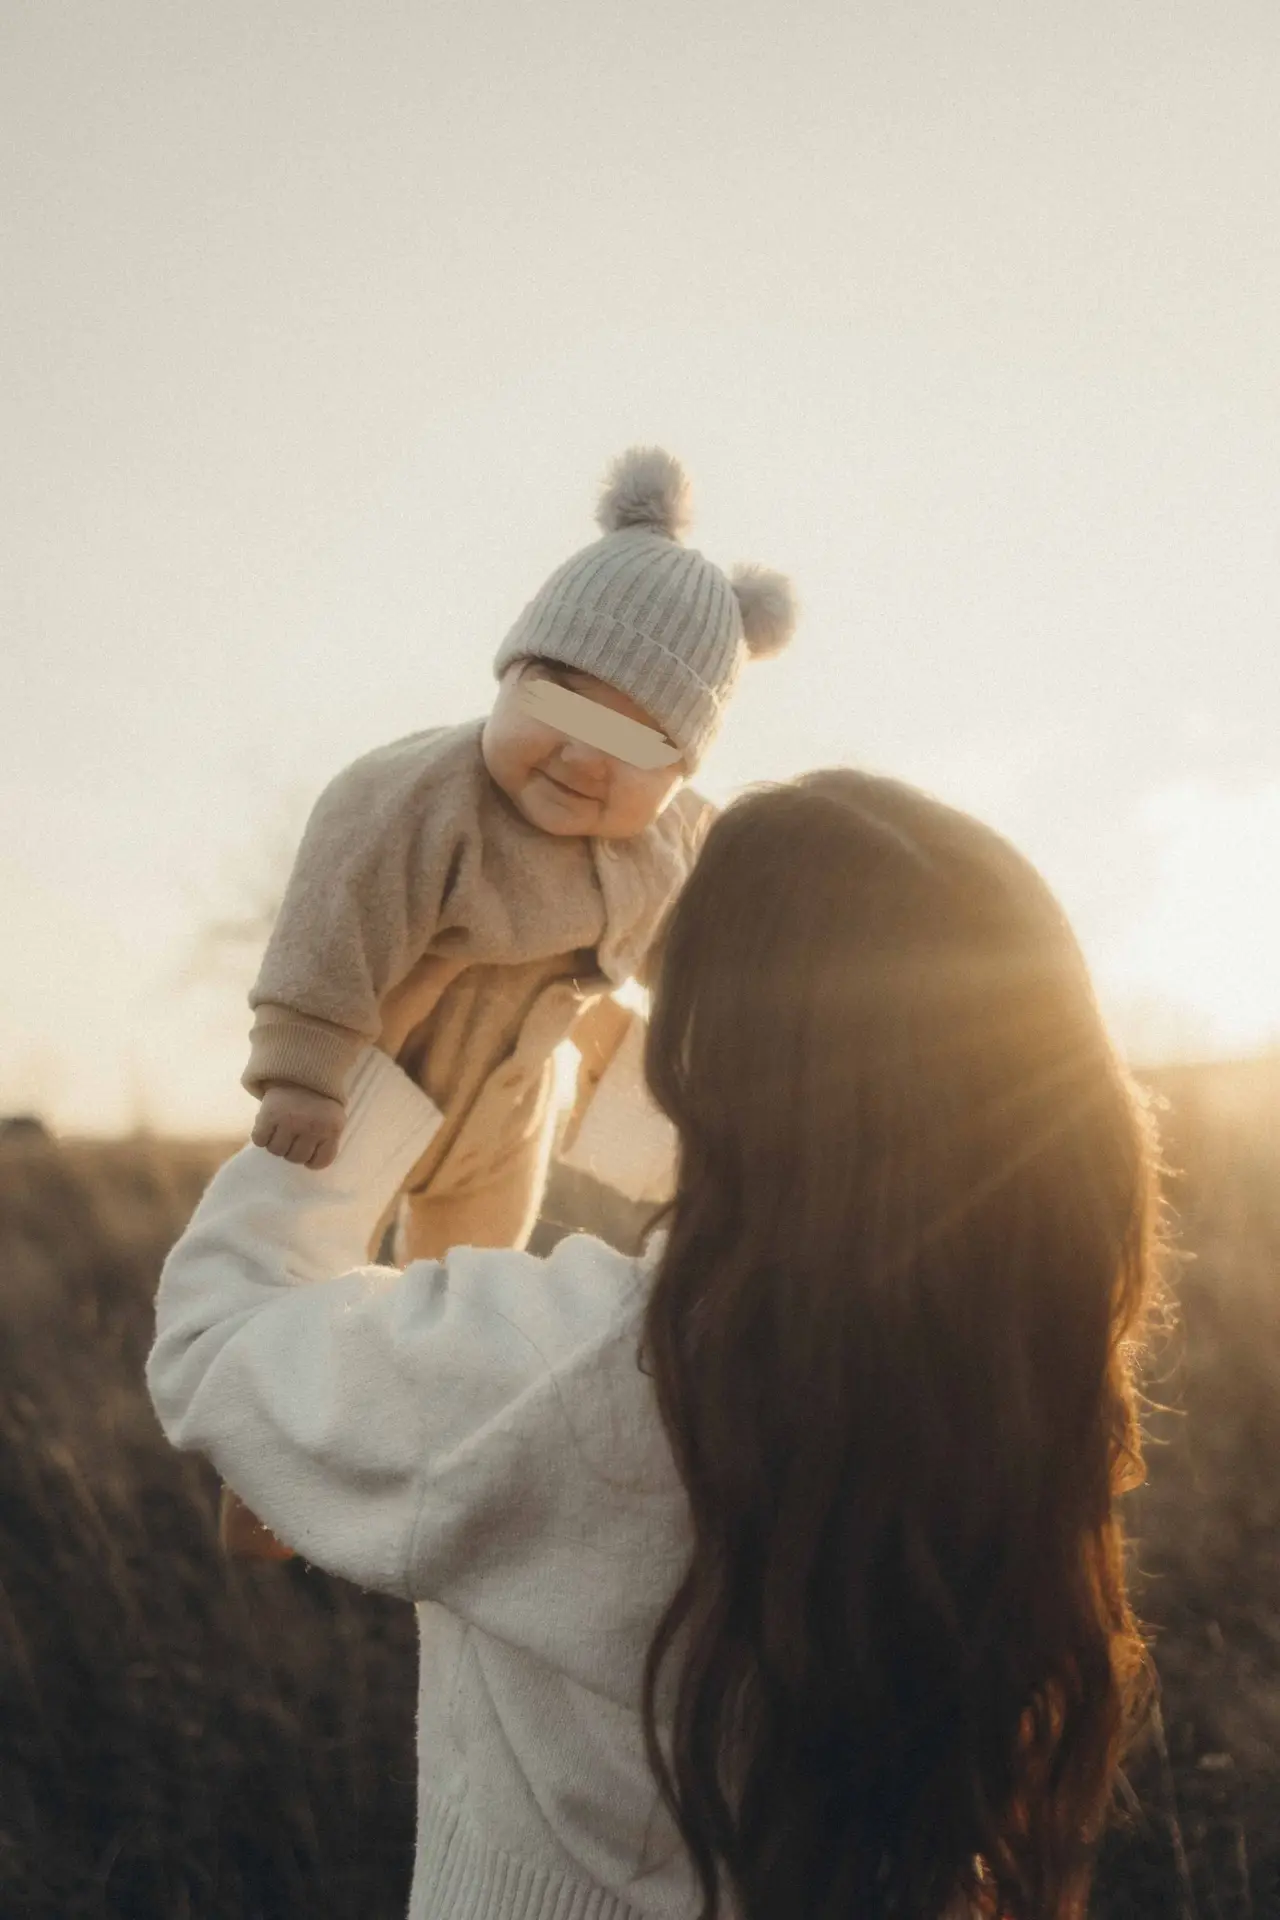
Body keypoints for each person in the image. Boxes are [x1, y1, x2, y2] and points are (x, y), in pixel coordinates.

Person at [147, 767, 1170, 1920]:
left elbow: (218, 1336)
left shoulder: (570, 1372)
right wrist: (533, 1047)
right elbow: (831, 1174)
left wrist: (370, 1075)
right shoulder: (1002, 1368)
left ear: (717, 1053)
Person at [216, 443, 796, 1558]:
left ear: (680, 773)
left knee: (456, 1304)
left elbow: (695, 957)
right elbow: (332, 919)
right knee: (298, 1283)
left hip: (509, 1117)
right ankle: (262, 1481)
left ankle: (403, 1466)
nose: (586, 756)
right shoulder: (420, 798)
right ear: (506, 674)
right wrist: (299, 1063)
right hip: (367, 1085)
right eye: (561, 699)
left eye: (638, 742)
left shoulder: (669, 847)